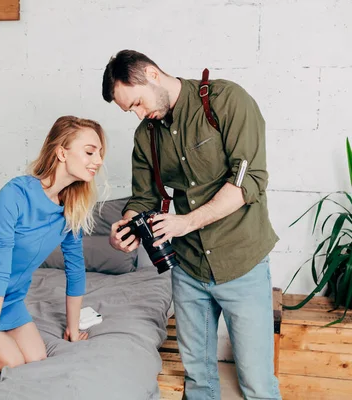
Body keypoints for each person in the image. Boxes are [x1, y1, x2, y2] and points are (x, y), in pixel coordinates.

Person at [102, 50, 281, 399]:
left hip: (241, 263)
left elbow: (250, 181)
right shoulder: (146, 136)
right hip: (187, 269)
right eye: (130, 111)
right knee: (199, 382)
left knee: (258, 384)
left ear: (152, 74)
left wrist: (187, 222)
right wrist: (125, 227)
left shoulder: (227, 101)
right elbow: (144, 198)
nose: (139, 115)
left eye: (137, 103)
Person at [0, 116, 106, 373]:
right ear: (61, 153)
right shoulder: (15, 194)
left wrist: (73, 328)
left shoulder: (71, 207)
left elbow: (75, 268)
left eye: (100, 153)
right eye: (90, 152)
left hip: (8, 300)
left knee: (36, 359)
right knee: (11, 362)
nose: (98, 161)